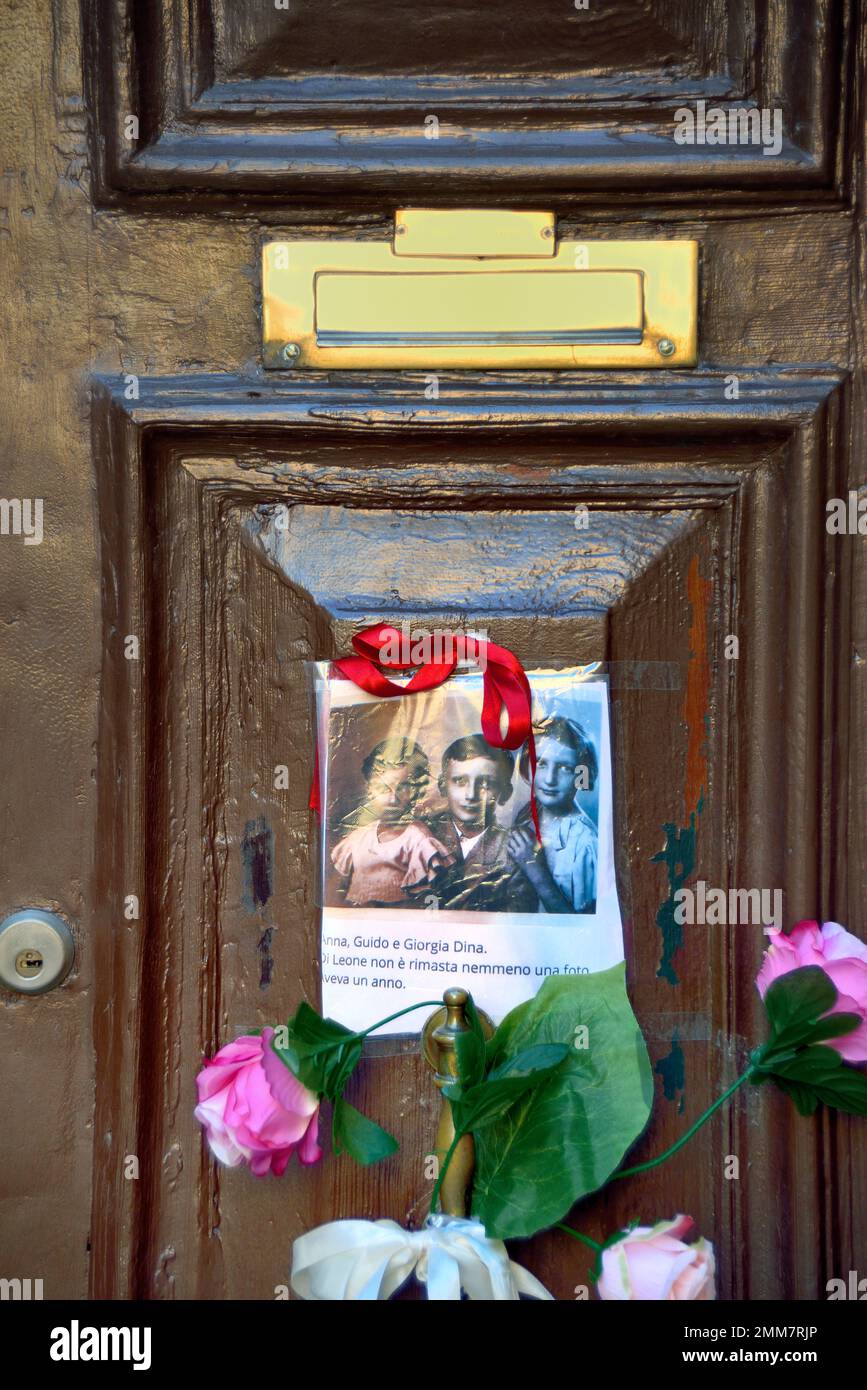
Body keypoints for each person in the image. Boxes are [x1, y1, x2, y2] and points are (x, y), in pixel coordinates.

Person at [329, 738, 454, 907]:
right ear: (370, 789)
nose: (393, 798)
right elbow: (337, 890)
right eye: (384, 789)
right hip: (355, 919)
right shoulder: (358, 837)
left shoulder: (418, 838)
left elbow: (424, 897)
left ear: (416, 790)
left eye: (402, 788)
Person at [424, 735, 537, 913]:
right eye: (460, 781)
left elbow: (517, 916)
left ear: (505, 793)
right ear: (443, 786)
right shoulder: (422, 835)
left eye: (486, 784)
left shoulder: (514, 851)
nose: (471, 795)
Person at [507, 715, 598, 914]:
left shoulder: (585, 842)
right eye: (540, 763)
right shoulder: (527, 816)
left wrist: (536, 871)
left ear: (581, 775)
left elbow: (583, 926)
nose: (550, 779)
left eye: (565, 768)